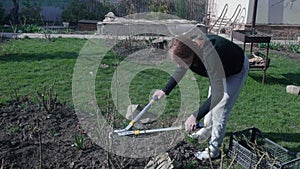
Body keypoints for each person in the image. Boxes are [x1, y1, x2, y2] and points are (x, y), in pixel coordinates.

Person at [153, 34, 249, 160]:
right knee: (211, 104)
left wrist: (194, 116)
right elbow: (181, 69)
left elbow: (218, 95)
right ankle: (206, 130)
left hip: (235, 69)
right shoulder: (190, 53)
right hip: (219, 70)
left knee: (220, 110)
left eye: (179, 61)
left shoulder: (210, 56)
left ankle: (213, 150)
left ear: (190, 54)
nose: (178, 65)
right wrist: (164, 90)